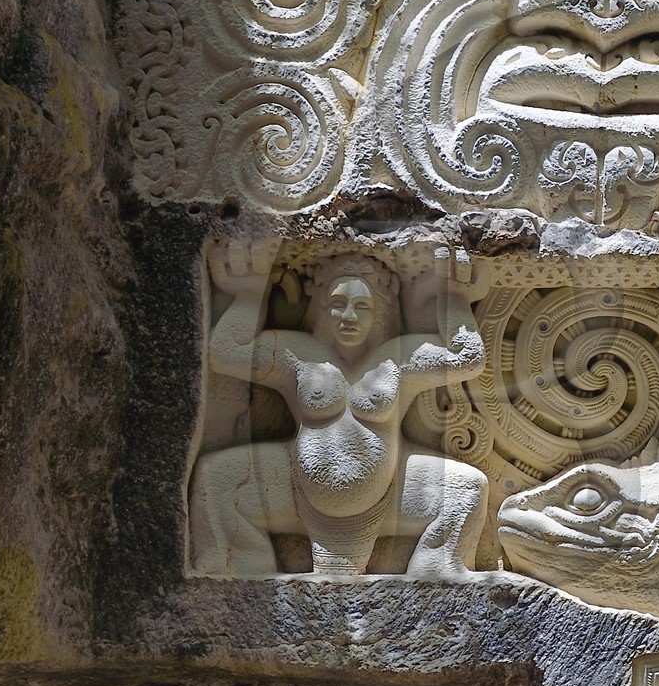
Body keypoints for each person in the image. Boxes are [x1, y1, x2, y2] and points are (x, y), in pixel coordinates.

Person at [189, 239, 489, 579]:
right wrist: (251, 291)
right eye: (337, 303)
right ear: (319, 306)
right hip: (293, 493)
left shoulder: (399, 359)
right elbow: (227, 350)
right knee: (216, 480)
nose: (348, 316)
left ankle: (438, 576)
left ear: (381, 312)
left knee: (467, 490)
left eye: (362, 306)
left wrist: (453, 298)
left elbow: (466, 358)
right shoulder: (299, 354)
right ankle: (236, 574)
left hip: (389, 497)